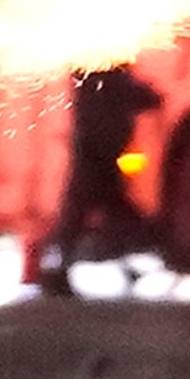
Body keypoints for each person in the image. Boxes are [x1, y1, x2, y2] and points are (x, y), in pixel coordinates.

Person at [40, 60, 162, 283]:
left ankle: (58, 270)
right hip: (98, 154)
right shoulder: (102, 61)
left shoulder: (98, 61)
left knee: (97, 214)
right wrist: (148, 97)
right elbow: (114, 98)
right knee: (85, 216)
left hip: (99, 152)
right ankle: (55, 270)